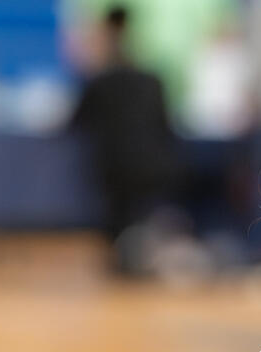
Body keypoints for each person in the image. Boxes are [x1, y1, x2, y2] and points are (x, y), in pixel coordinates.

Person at [71, 6, 180, 245]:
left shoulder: (99, 82)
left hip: (118, 176)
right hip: (152, 172)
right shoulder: (152, 81)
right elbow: (168, 128)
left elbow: (74, 124)